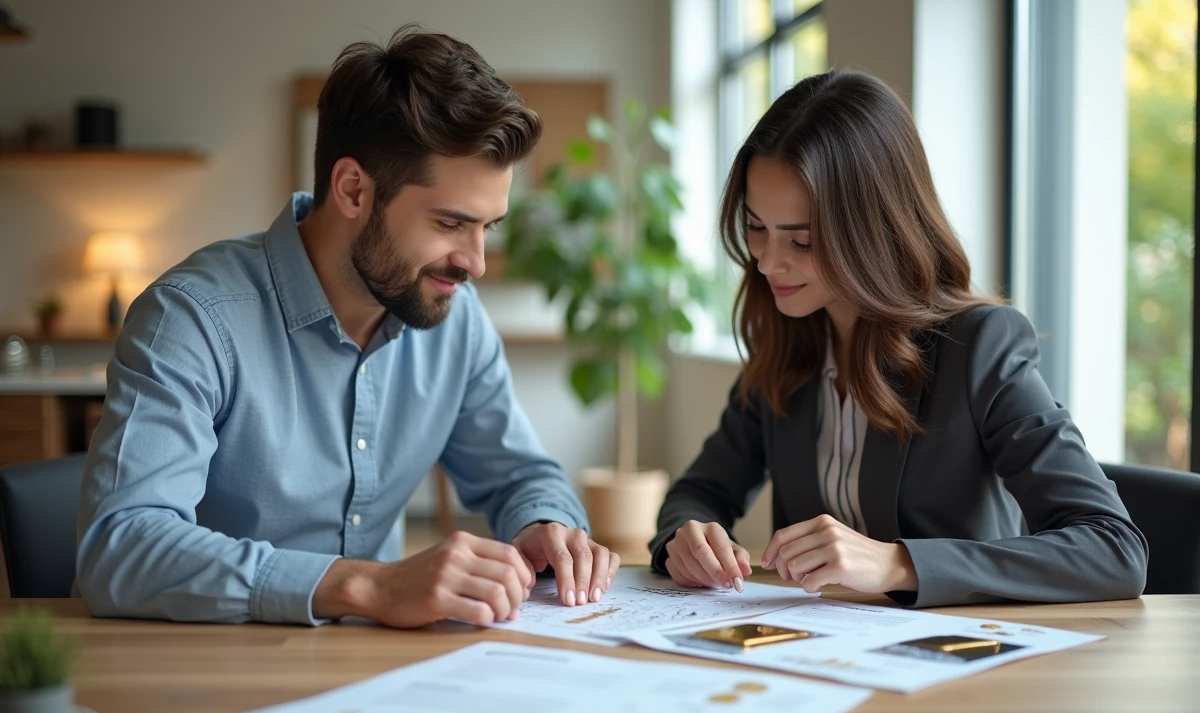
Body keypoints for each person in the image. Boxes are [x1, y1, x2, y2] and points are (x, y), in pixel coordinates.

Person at [77, 25, 619, 628]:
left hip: (380, 679)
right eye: (449, 223)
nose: (476, 263)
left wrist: (545, 525)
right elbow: (119, 547)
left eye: (486, 228)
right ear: (354, 189)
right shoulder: (191, 318)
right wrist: (366, 586)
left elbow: (519, 474)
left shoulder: (455, 322)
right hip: (214, 671)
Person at [649, 69, 1147, 607]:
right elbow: (700, 491)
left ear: (873, 228)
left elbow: (1114, 548)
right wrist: (687, 538)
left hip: (967, 665)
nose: (768, 261)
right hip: (817, 656)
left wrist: (898, 563)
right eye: (755, 226)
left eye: (803, 239)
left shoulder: (980, 347)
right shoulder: (787, 342)